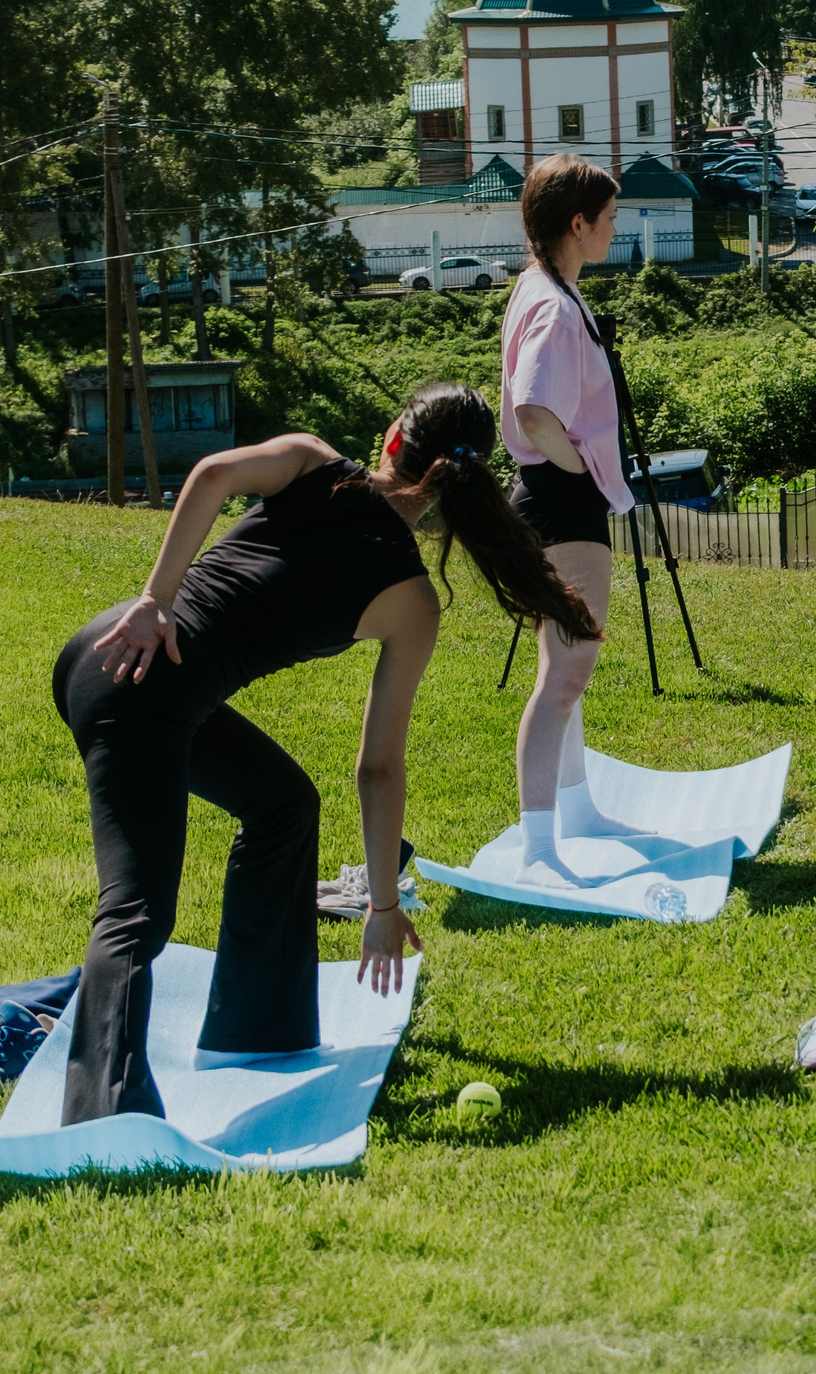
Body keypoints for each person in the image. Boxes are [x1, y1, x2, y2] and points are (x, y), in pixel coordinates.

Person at [53, 383, 600, 1127]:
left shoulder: (311, 459)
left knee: (283, 804)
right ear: (457, 487)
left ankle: (260, 1030)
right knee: (136, 911)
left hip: (120, 657)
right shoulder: (411, 601)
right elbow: (378, 767)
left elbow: (211, 474)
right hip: (136, 684)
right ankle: (100, 1119)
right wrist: (381, 906)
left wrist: (153, 599)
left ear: (392, 437)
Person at [498, 154, 638, 878]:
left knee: (564, 668)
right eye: (609, 217)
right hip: (561, 501)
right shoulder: (554, 305)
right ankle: (539, 849)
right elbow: (533, 410)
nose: (616, 227)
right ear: (577, 224)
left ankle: (575, 812)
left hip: (552, 497)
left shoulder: (541, 285)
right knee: (565, 676)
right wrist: (581, 471)